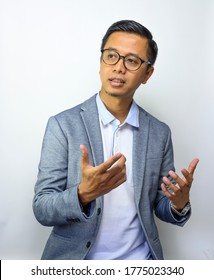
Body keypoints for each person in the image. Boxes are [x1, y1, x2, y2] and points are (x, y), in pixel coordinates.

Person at [33, 19, 199, 260]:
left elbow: (161, 204)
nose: (119, 67)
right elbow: (42, 208)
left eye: (132, 61)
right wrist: (83, 194)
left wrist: (178, 203)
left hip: (141, 262)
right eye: (111, 56)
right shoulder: (62, 125)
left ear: (147, 74)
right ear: (101, 62)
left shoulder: (160, 133)